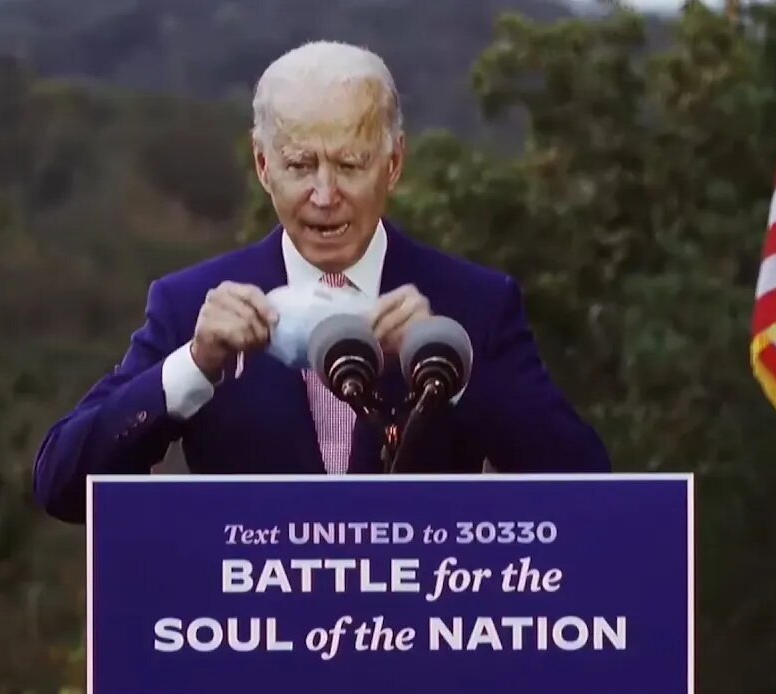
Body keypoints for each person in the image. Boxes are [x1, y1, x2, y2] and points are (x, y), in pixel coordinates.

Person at [32, 40, 610, 523]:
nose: (325, 195)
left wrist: (452, 373)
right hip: (257, 646)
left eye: (351, 165)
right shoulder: (190, 305)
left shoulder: (476, 304)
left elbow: (591, 490)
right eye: (301, 165)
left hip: (420, 645)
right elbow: (62, 485)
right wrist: (194, 364)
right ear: (263, 166)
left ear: (394, 163)